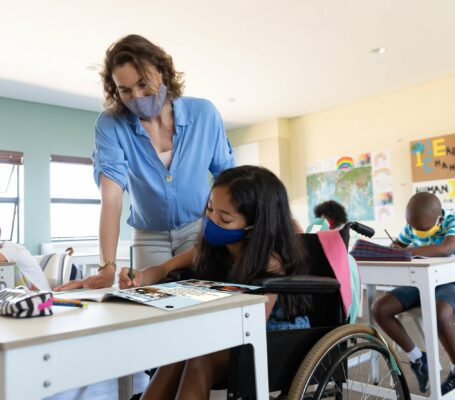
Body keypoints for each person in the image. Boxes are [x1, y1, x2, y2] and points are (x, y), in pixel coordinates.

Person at [55, 34, 234, 291]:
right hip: (149, 235)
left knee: (200, 300)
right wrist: (107, 268)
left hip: (199, 229)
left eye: (143, 84)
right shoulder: (110, 125)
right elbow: (112, 198)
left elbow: (228, 178)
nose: (137, 97)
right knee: (151, 305)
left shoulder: (204, 114)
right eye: (125, 90)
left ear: (163, 73)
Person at [118, 165, 311, 399]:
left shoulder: (270, 262)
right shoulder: (212, 250)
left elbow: (253, 323)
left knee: (199, 358)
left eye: (225, 218)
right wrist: (140, 276)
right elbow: (164, 268)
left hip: (272, 337)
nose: (212, 220)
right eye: (210, 209)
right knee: (176, 355)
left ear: (255, 225)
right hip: (229, 332)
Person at [371, 192, 455, 395]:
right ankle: (418, 359)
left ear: (438, 218)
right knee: (380, 309)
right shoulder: (413, 227)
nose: (416, 230)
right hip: (420, 282)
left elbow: (447, 248)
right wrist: (396, 247)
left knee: (440, 313)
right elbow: (399, 244)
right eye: (413, 226)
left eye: (421, 228)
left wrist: (404, 251)